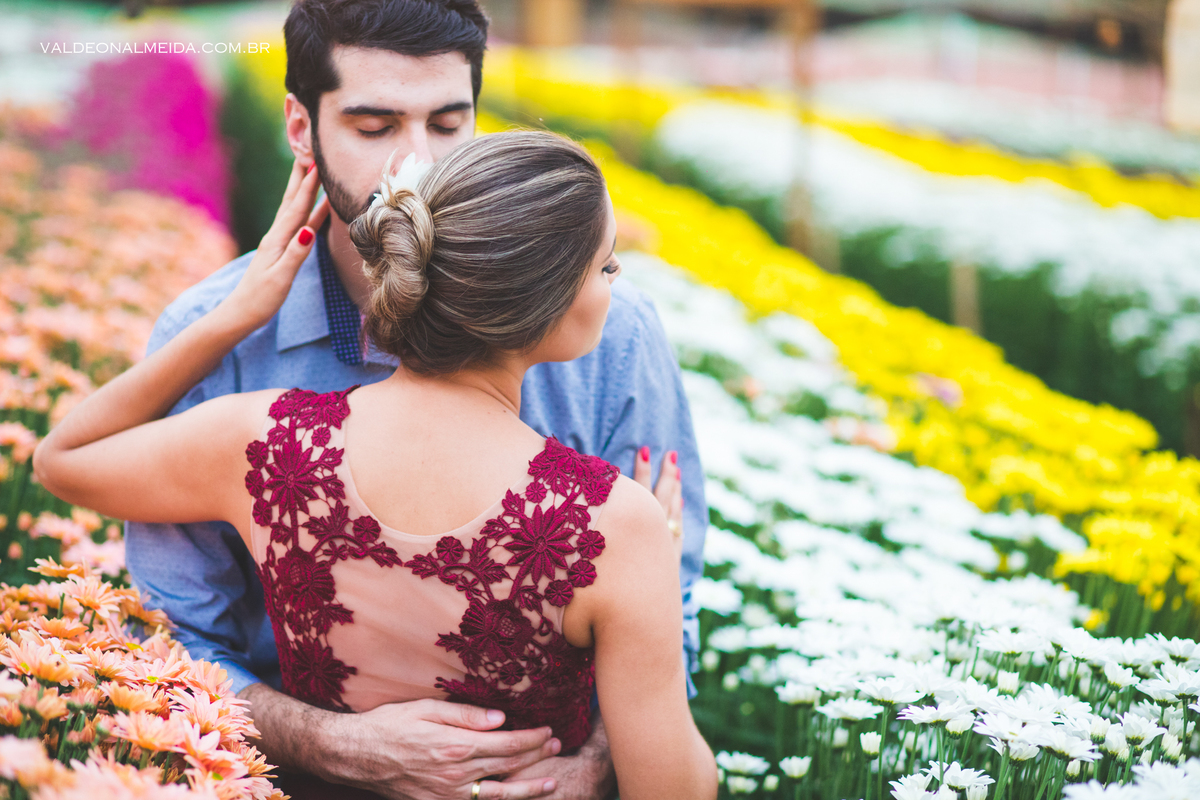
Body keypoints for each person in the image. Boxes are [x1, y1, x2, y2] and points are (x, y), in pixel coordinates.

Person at [121, 1, 707, 798]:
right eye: (374, 126)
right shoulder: (217, 341)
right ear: (301, 127)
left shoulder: (612, 328)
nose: (415, 165)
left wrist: (595, 765)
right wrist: (330, 745)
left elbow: (666, 606)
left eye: (447, 124)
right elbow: (171, 637)